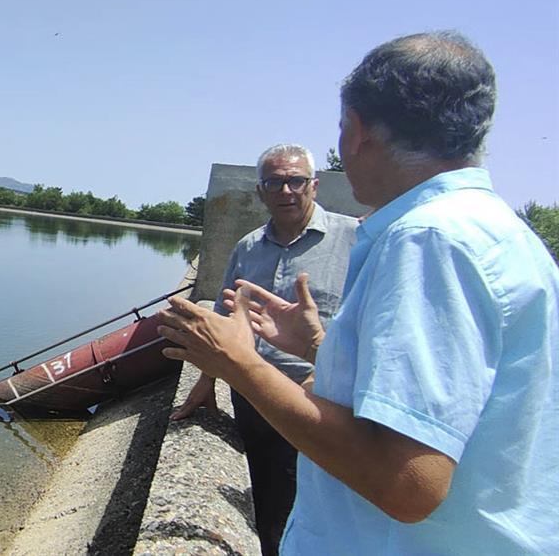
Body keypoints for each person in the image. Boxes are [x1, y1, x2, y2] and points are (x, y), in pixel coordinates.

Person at [157, 31, 558, 554]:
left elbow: (408, 484)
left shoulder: (429, 240)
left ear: (357, 131)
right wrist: (320, 346)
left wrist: (240, 364)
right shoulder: (500, 232)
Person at [170, 143, 357, 556]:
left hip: (320, 395)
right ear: (260, 191)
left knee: (317, 504)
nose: (286, 191)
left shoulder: (354, 239)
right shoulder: (248, 247)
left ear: (314, 185)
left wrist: (325, 365)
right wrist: (206, 382)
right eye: (275, 182)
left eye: (296, 181)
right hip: (252, 392)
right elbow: (222, 322)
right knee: (269, 500)